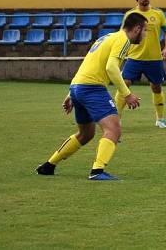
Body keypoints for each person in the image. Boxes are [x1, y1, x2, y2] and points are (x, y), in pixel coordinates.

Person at [36, 13, 148, 180]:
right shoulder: (124, 40)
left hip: (79, 87)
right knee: (113, 130)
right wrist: (127, 94)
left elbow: (88, 63)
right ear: (137, 29)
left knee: (86, 133)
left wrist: (72, 92)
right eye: (145, 30)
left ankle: (48, 166)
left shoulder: (107, 37)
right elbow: (111, 68)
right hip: (92, 88)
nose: (145, 34)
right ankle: (97, 171)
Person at [114, 0, 166, 129]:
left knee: (156, 87)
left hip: (154, 59)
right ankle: (117, 119)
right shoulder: (130, 15)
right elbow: (122, 35)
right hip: (134, 58)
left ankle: (160, 119)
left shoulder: (158, 14)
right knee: (124, 84)